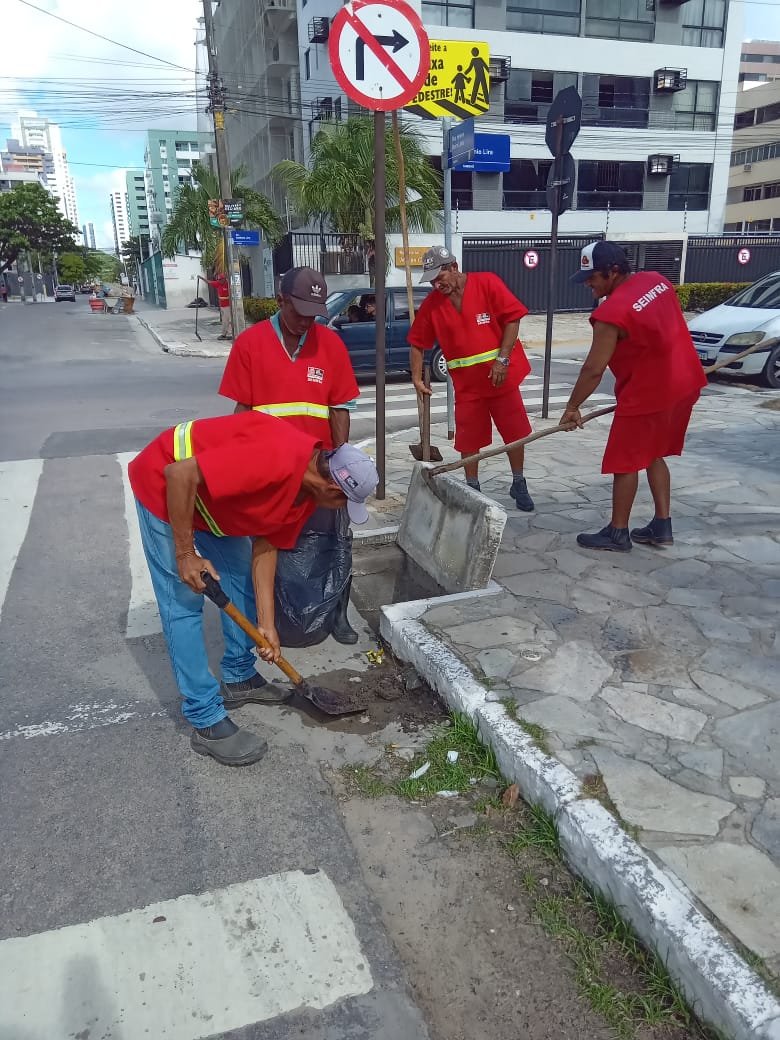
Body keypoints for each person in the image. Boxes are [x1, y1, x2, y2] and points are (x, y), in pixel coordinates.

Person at [128, 410, 378, 766]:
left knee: (240, 576)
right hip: (164, 485)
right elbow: (179, 474)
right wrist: (185, 555)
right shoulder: (275, 458)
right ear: (333, 488)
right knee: (184, 600)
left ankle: (239, 676)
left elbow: (266, 546)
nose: (341, 510)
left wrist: (267, 625)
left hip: (211, 506)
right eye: (344, 503)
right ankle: (205, 718)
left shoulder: (305, 494)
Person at [219, 266, 362, 643]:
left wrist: (340, 463)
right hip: (270, 471)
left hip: (319, 469)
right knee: (271, 543)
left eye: (314, 314)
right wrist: (240, 464)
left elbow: (340, 408)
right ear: (280, 300)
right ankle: (275, 617)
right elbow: (242, 411)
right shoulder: (250, 344)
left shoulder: (330, 344)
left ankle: (338, 614)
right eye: (299, 312)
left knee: (334, 539)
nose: (306, 321)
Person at [561, 241, 707, 552]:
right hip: (685, 383)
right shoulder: (657, 281)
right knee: (653, 452)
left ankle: (617, 532)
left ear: (613, 271)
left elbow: (593, 369)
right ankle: (662, 525)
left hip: (648, 395)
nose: (587, 283)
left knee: (625, 461)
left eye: (592, 277)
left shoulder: (610, 314)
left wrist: (572, 406)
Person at [407, 245, 535, 511]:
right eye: (431, 281)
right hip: (467, 387)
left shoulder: (487, 283)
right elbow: (417, 343)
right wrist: (417, 378)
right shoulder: (432, 304)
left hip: (500, 378)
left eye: (439, 277)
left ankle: (519, 481)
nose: (436, 284)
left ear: (454, 267)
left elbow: (513, 319)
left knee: (515, 433)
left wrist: (502, 359)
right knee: (468, 439)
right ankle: (472, 487)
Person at [206, 272, 232, 340]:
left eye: (220, 279)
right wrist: (201, 278)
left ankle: (229, 334)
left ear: (224, 279)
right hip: (222, 306)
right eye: (218, 280)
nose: (219, 281)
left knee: (228, 320)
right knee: (224, 321)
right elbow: (209, 282)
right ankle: (224, 334)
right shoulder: (218, 283)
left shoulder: (228, 284)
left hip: (228, 306)